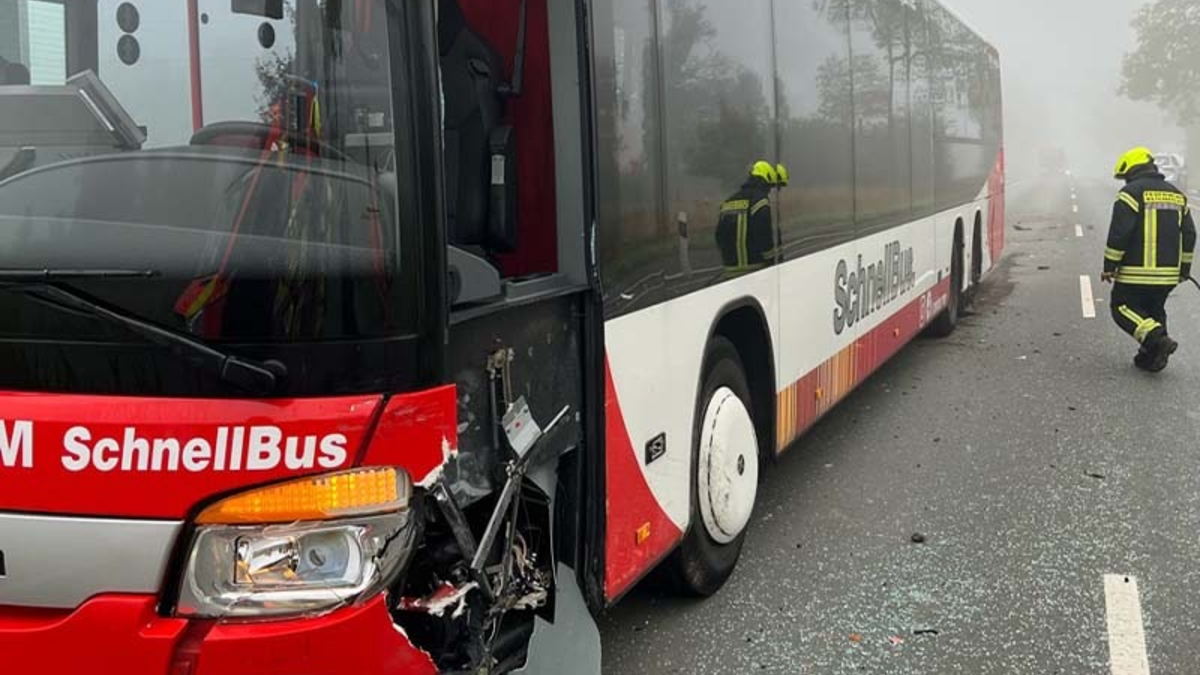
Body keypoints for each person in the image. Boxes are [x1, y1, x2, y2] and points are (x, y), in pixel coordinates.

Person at [1102, 146, 1197, 372]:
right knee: (1154, 310)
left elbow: (1120, 234)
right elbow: (1190, 234)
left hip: (1136, 272)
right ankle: (1150, 356)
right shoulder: (1177, 195)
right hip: (1168, 276)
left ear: (1132, 171)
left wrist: (1109, 266)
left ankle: (1156, 339)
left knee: (1121, 307)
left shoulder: (1130, 194)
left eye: (1125, 177)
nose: (1125, 181)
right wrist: (1184, 269)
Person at [715, 161, 780, 275]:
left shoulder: (729, 201)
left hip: (730, 269)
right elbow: (763, 232)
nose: (769, 190)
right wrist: (772, 259)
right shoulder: (760, 201)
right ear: (764, 181)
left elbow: (719, 235)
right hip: (754, 267)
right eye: (769, 186)